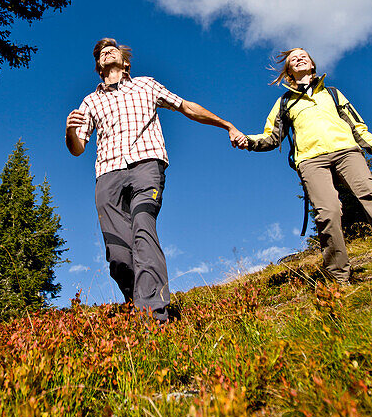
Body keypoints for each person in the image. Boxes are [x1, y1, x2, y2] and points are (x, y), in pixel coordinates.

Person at [66, 38, 248, 323]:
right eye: (101, 53)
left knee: (143, 229)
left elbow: (186, 107)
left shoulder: (146, 85)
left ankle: (153, 315)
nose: (107, 52)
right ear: (99, 67)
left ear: (126, 63)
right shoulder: (90, 101)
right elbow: (77, 148)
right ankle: (135, 299)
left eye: (112, 49)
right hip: (107, 175)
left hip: (146, 167)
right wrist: (70, 131)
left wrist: (227, 125)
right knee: (118, 255)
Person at [240, 47, 372, 283]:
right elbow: (271, 136)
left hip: (347, 151)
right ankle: (338, 277)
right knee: (328, 212)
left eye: (303, 55)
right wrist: (248, 141)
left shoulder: (333, 94)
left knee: (369, 194)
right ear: (289, 72)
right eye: (292, 58)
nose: (298, 57)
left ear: (312, 65)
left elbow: (358, 128)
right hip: (311, 160)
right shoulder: (285, 103)